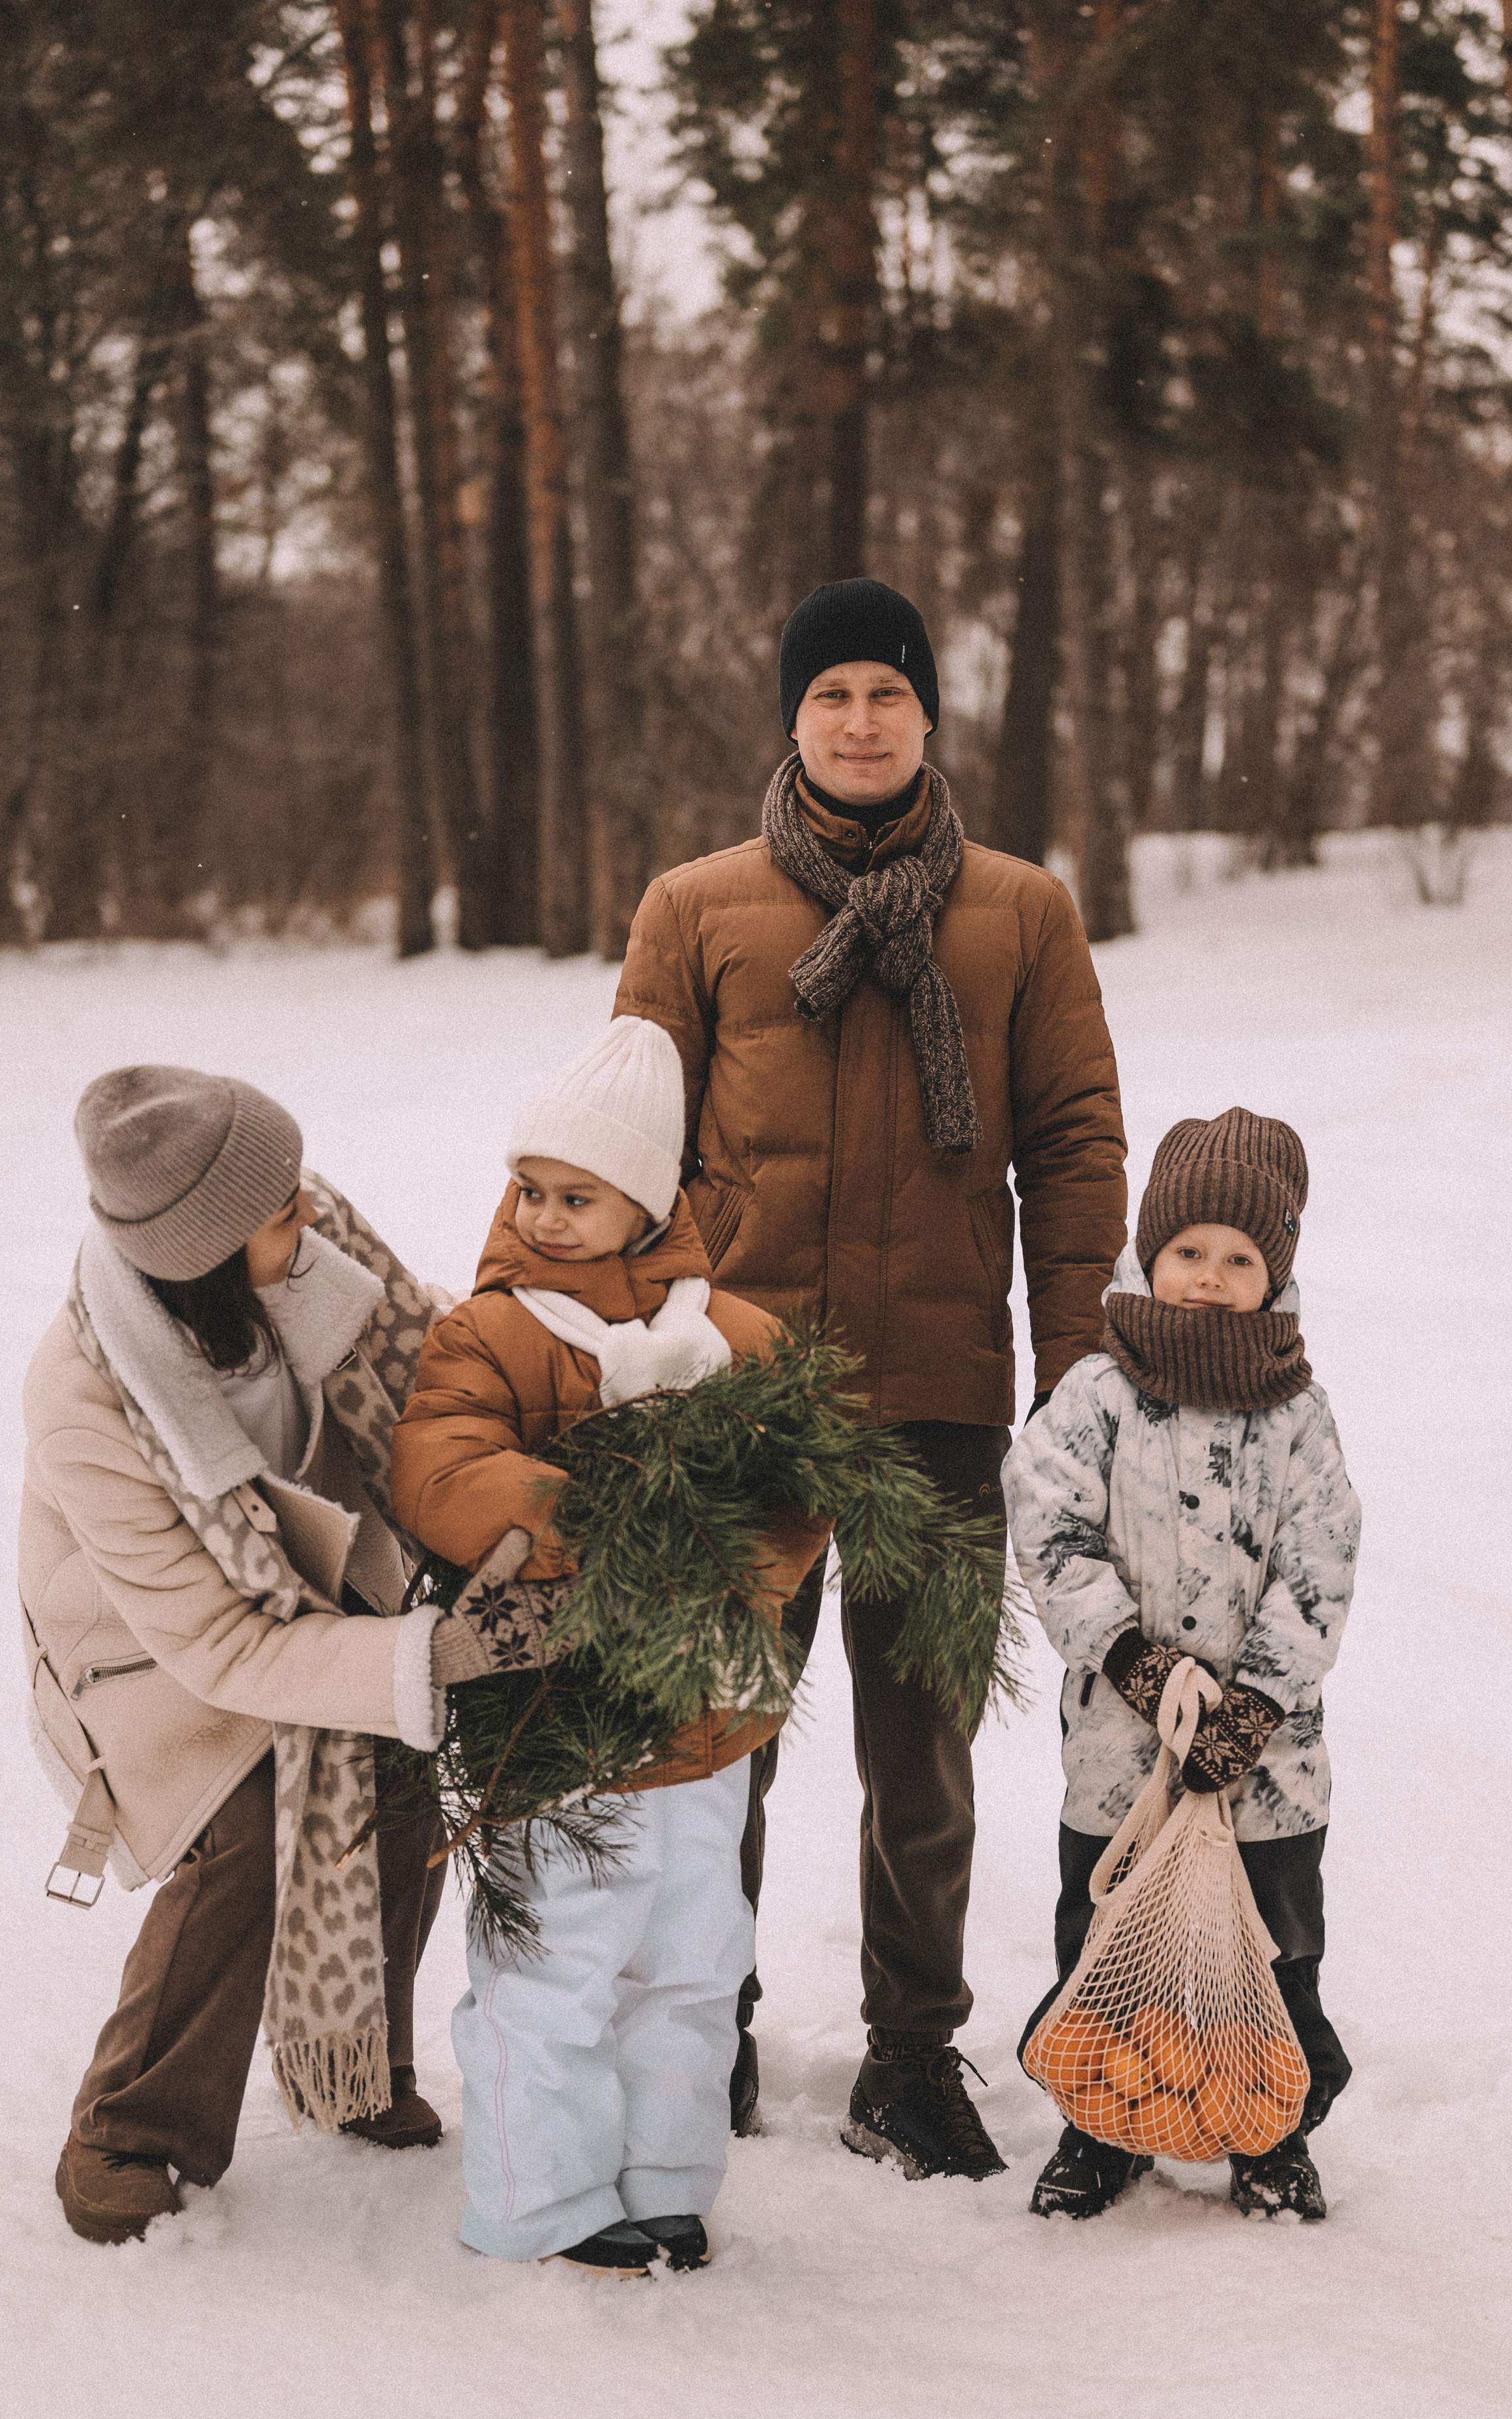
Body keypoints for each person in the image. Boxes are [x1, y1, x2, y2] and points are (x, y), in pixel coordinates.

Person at [613, 577, 1127, 2178]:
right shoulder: (692, 910)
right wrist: (648, 1355)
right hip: (738, 1403)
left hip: (937, 1397)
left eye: (884, 695)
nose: (857, 720)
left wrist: (1074, 1372)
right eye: (830, 692)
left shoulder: (1019, 913)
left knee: (925, 1756)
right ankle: (709, 2029)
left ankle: (910, 2055)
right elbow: (622, 1155)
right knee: (717, 1736)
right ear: (791, 715)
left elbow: (1070, 1145)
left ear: (926, 714)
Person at [22, 1065, 551, 2245]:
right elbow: (216, 1645)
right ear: (201, 1250)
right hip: (149, 1666)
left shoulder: (307, 1244)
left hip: (319, 1596)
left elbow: (435, 1369)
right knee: (249, 1818)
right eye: (274, 1211)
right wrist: (423, 1653)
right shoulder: (85, 1403)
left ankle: (359, 2070)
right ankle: (130, 2126)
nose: (305, 1212)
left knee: (399, 1770)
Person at [390, 1018, 829, 2275]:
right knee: (554, 1963)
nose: (544, 1214)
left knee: (690, 1960)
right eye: (530, 1187)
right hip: (555, 1712)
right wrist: (600, 1521)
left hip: (707, 1717)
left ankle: (667, 2175)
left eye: (577, 1194)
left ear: (646, 1199)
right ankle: (543, 2198)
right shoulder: (492, 1333)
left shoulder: (737, 1337)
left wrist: (732, 1558)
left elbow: (804, 1489)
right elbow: (441, 1468)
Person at [1002, 1108, 1361, 2221]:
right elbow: (1051, 1532)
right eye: (1189, 1252)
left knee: (1273, 1947)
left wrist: (1254, 1702)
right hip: (1122, 1756)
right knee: (1107, 1937)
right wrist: (1133, 1662)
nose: (1210, 1277)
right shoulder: (1099, 1395)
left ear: (1276, 1275)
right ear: (1149, 1256)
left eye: (1240, 1259)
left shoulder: (1299, 1413)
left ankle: (1272, 2131)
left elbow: (1322, 1563)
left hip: (1271, 1768)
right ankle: (1104, 2125)